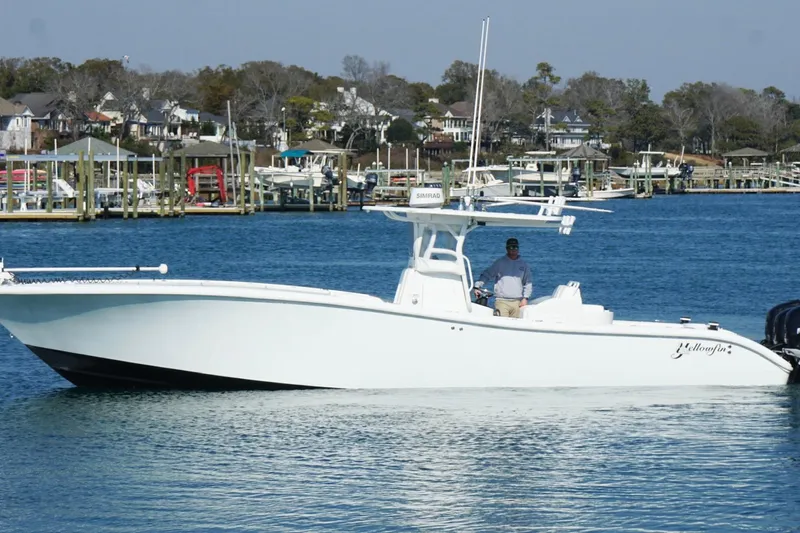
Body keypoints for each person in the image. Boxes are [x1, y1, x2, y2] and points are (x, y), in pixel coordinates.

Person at [473, 237, 532, 318]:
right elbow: (487, 274)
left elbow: (528, 283)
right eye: (511, 247)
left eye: (515, 247)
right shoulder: (500, 263)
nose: (513, 250)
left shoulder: (523, 265)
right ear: (507, 249)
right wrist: (477, 286)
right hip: (502, 301)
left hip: (517, 302)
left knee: (514, 327)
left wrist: (525, 298)